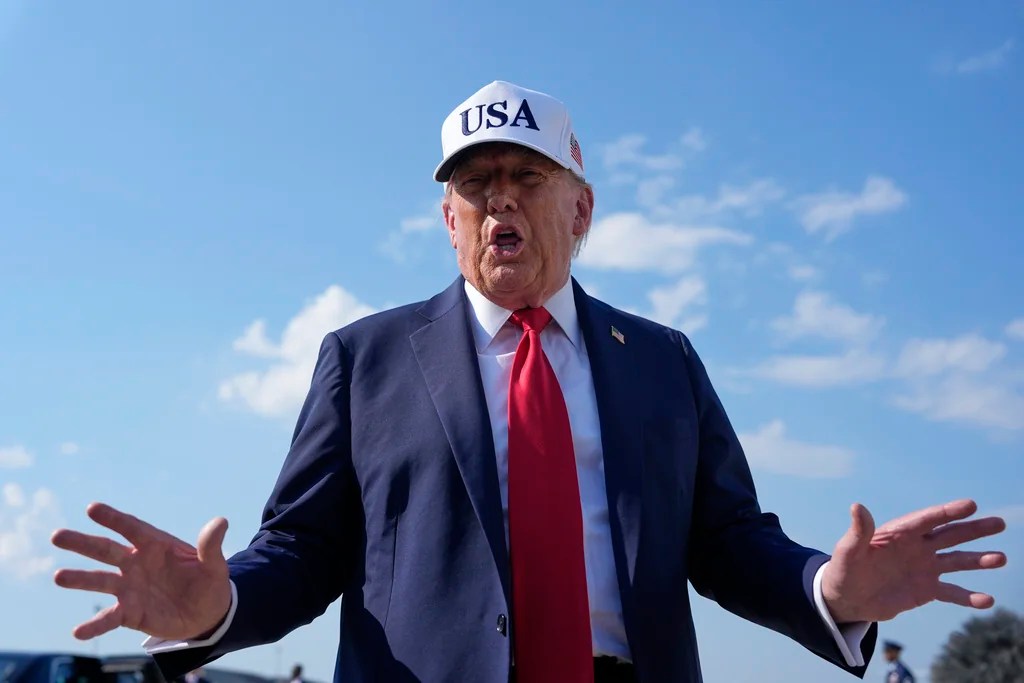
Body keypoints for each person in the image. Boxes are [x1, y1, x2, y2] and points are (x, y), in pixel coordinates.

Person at [50, 80, 1007, 683]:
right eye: (475, 183)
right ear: (449, 221)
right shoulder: (363, 358)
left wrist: (827, 588)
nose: (499, 195)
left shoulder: (664, 359)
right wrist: (216, 610)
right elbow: (302, 548)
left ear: (581, 210)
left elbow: (726, 540)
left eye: (526, 174)